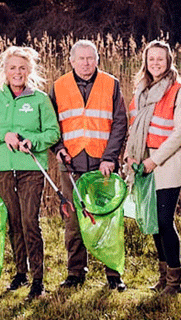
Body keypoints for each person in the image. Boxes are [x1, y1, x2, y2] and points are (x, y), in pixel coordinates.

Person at [0, 46, 60, 300]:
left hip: (31, 169)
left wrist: (32, 141)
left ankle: (38, 279)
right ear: (4, 70)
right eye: (12, 67)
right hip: (1, 169)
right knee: (13, 222)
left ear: (30, 71)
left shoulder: (40, 99)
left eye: (22, 68)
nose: (17, 72)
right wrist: (5, 135)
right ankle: (19, 273)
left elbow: (53, 133)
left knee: (29, 221)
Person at [50, 40, 128, 292]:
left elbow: (119, 123)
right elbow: (51, 126)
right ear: (71, 61)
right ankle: (75, 273)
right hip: (70, 164)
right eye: (81, 58)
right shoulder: (59, 86)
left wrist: (110, 158)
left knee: (107, 220)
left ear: (97, 59)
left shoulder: (111, 84)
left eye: (90, 58)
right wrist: (58, 148)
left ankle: (113, 274)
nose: (86, 63)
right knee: (73, 221)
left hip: (102, 164)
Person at [125, 40, 181, 295]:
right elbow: (134, 130)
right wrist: (130, 158)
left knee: (165, 221)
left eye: (160, 59)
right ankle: (163, 277)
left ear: (168, 62)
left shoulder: (179, 92)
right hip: (142, 162)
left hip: (166, 163)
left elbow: (180, 133)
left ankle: (175, 281)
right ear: (145, 62)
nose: (155, 63)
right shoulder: (141, 91)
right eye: (151, 59)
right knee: (153, 221)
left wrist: (153, 161)